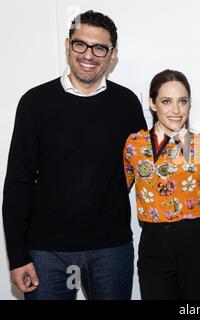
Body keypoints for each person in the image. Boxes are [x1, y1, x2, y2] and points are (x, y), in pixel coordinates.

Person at [2, 10, 147, 300]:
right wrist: (17, 257)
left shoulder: (126, 103)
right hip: (46, 252)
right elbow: (18, 183)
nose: (89, 54)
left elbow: (143, 167)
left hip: (111, 249)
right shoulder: (34, 103)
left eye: (99, 48)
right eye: (80, 44)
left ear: (112, 54)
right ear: (68, 45)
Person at [123, 69, 200, 300]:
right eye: (166, 101)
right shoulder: (135, 145)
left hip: (196, 244)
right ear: (152, 103)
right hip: (153, 245)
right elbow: (115, 194)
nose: (176, 110)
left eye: (182, 101)